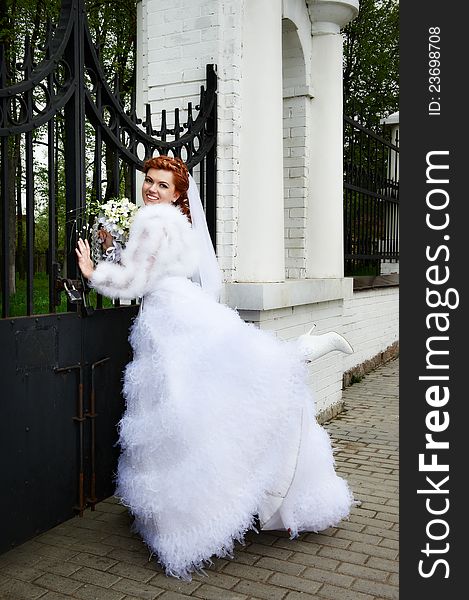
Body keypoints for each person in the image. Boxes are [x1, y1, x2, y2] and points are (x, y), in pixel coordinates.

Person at [75, 155, 354, 580]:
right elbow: (154, 269)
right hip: (184, 310)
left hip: (171, 319)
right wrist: (116, 247)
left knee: (183, 413)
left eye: (162, 185)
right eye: (149, 181)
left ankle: (187, 524)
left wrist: (94, 270)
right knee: (212, 399)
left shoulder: (153, 222)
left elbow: (134, 283)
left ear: (178, 193)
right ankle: (297, 351)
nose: (151, 189)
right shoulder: (178, 223)